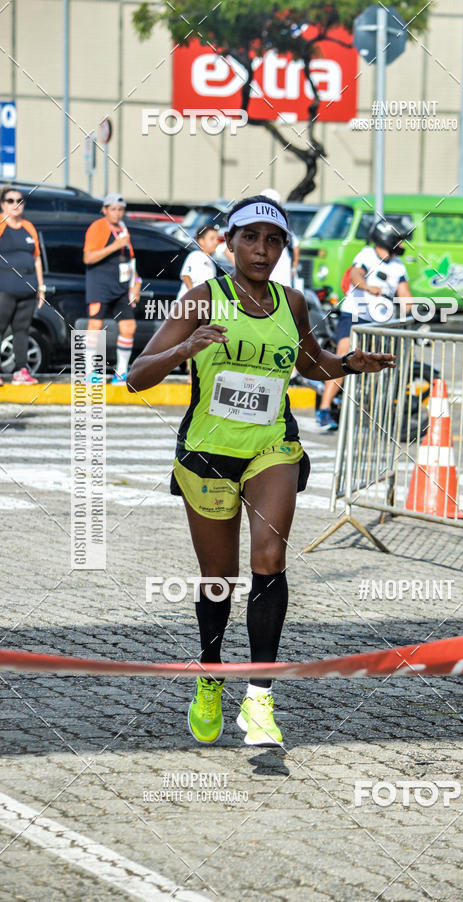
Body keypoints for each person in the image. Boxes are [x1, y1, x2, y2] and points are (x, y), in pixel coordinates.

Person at [127, 194, 395, 747]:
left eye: (273, 241)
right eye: (250, 237)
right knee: (219, 579)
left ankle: (260, 697)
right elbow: (136, 375)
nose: (262, 249)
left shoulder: (291, 303)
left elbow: (308, 362)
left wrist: (346, 366)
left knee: (270, 558)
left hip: (272, 446)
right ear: (229, 243)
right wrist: (185, 350)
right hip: (207, 452)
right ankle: (210, 677)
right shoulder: (200, 301)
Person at [316, 218, 414, 430]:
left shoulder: (398, 266)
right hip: (355, 316)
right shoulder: (367, 255)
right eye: (399, 239)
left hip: (382, 322)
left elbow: (405, 294)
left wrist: (415, 311)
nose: (403, 244)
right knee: (343, 357)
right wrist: (368, 287)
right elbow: (355, 275)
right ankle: (323, 410)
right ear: (386, 238)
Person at [83, 193, 141, 383]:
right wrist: (114, 246)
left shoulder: (123, 228)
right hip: (100, 285)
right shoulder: (97, 227)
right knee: (95, 326)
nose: (117, 213)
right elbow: (88, 257)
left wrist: (136, 283)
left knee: (129, 327)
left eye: (120, 210)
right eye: (113, 209)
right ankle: (90, 372)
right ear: (105, 210)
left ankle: (121, 372)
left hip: (122, 286)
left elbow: (130, 259)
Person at [0, 185, 46, 385]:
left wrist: (41, 287)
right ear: (3, 204)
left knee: (22, 330)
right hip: (4, 288)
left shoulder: (29, 227)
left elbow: (37, 259)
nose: (15, 205)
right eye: (10, 201)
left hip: (27, 288)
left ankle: (21, 370)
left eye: (19, 200)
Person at [260, 188, 300, 287]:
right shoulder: (255, 225)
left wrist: (293, 267)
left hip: (282, 278)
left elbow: (295, 245)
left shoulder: (284, 225)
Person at [177, 225, 219, 300]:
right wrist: (194, 297)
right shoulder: (195, 255)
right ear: (201, 241)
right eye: (212, 239)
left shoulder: (211, 262)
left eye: (217, 239)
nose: (216, 242)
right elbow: (186, 276)